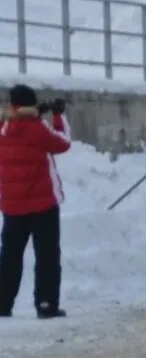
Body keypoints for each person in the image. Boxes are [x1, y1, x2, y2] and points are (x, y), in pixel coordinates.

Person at [0, 86, 71, 319]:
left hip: (12, 207)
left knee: (9, 256)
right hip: (43, 206)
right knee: (47, 256)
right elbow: (63, 142)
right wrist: (58, 116)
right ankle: (46, 303)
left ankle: (2, 303)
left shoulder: (3, 128)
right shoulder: (37, 129)